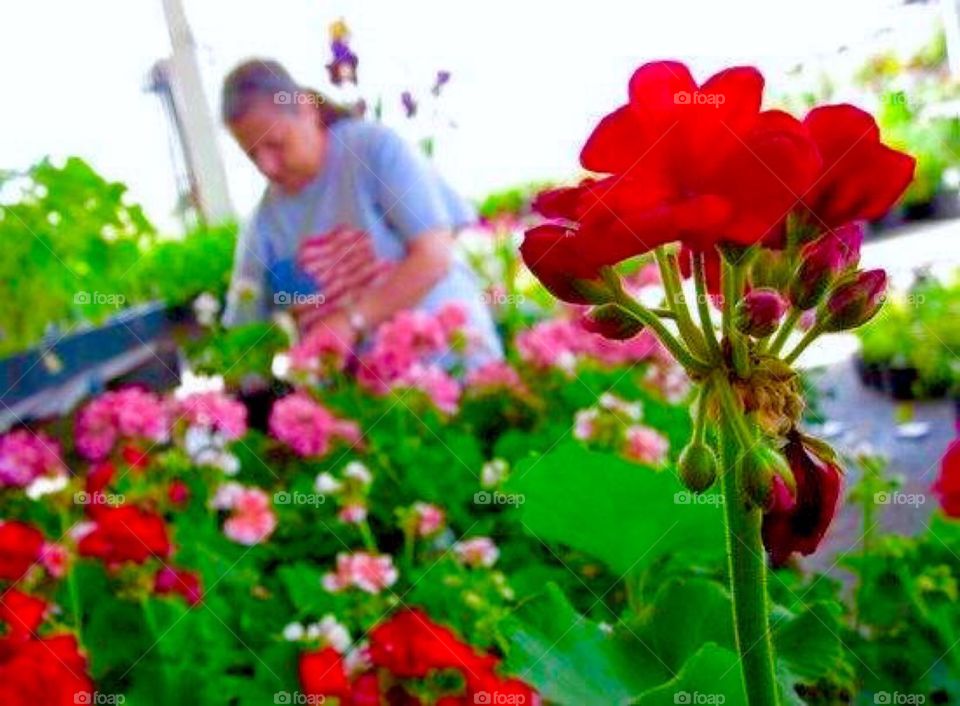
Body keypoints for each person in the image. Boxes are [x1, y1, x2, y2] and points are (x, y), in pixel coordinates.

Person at [220, 59, 502, 367]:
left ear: (306, 109)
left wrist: (351, 321)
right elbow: (242, 333)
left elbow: (435, 255)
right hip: (367, 391)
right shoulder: (262, 228)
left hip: (456, 363)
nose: (266, 166)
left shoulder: (373, 149)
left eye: (275, 144)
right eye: (252, 155)